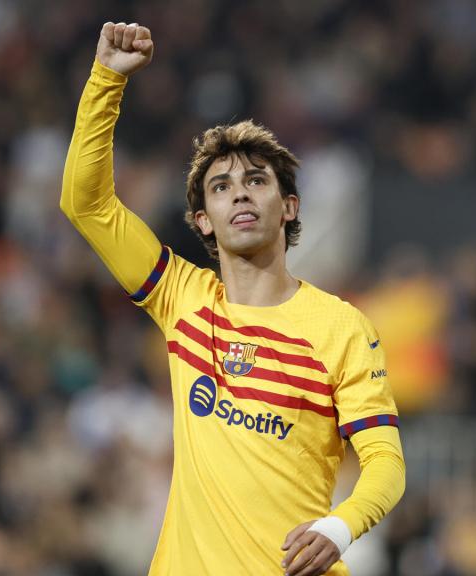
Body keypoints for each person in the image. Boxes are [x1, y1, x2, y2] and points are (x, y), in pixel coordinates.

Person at [61, 22, 405, 576]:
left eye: (257, 180)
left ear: (289, 207)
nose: (239, 191)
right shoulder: (180, 297)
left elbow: (386, 462)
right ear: (204, 220)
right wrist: (107, 81)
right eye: (220, 186)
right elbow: (86, 204)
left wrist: (340, 527)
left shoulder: (340, 327)